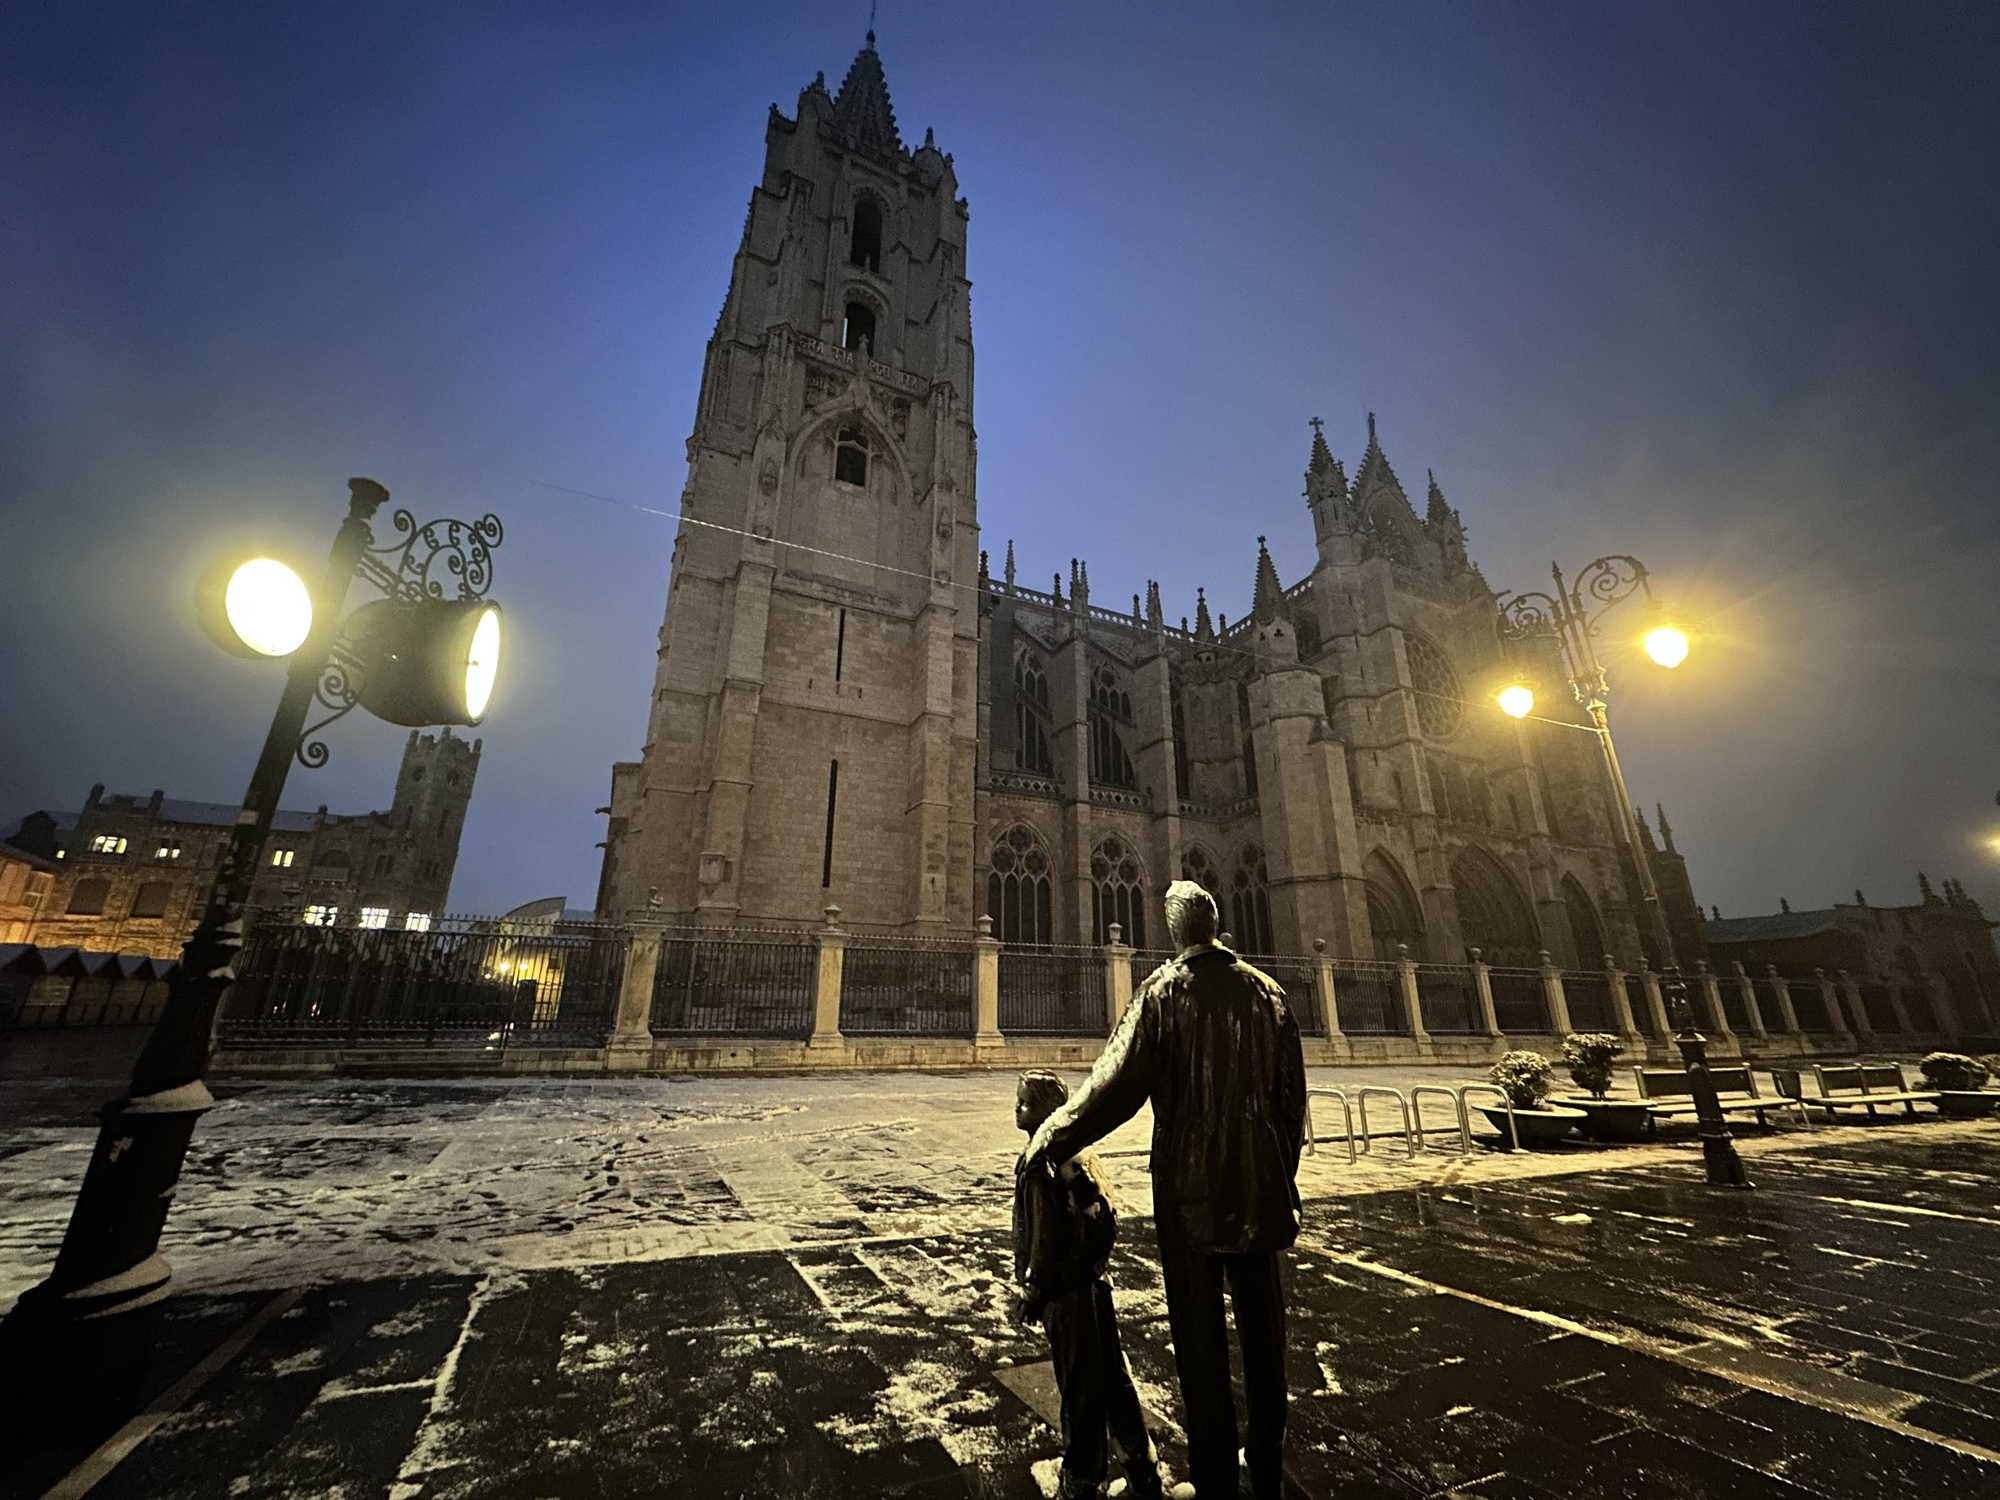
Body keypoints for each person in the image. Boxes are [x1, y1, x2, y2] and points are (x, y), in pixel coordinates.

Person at [1025, 881, 1306, 1500]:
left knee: (1200, 1346)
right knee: (1266, 1338)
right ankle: (1265, 1466)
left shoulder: (1163, 993)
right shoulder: (1270, 993)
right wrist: (1276, 1169)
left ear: (1177, 931)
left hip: (1191, 1192)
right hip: (1260, 1188)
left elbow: (1113, 1088)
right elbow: (1293, 1104)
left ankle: (1213, 1479)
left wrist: (1052, 1133)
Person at [1011, 1069, 1167, 1500]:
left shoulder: (1039, 1162)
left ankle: (1081, 1478)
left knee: (1078, 1388)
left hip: (1064, 1292)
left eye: (1024, 1103)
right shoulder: (1078, 1152)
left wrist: (1033, 1291)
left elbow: (1043, 1236)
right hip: (1093, 1283)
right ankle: (1141, 1464)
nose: (1016, 1109)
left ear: (1044, 1111)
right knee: (1114, 1379)